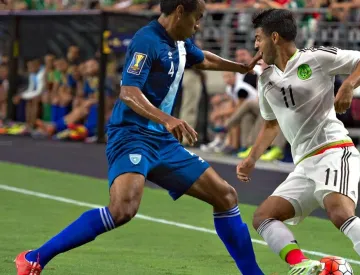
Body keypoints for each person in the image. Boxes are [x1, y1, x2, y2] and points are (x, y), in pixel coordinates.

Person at [15, 1, 264, 274]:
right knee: (122, 209)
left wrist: (240, 68)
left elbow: (202, 58)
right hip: (132, 135)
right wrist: (168, 119)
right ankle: (34, 257)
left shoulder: (180, 42)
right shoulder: (146, 41)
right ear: (179, 11)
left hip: (163, 141)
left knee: (226, 196)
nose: (198, 24)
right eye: (197, 17)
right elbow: (129, 92)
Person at [236, 8, 360, 275]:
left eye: (258, 38)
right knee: (263, 217)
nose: (255, 45)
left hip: (334, 151)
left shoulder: (317, 58)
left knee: (339, 214)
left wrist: (348, 86)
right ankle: (302, 265)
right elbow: (271, 124)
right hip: (304, 164)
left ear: (274, 37)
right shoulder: (266, 79)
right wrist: (251, 159)